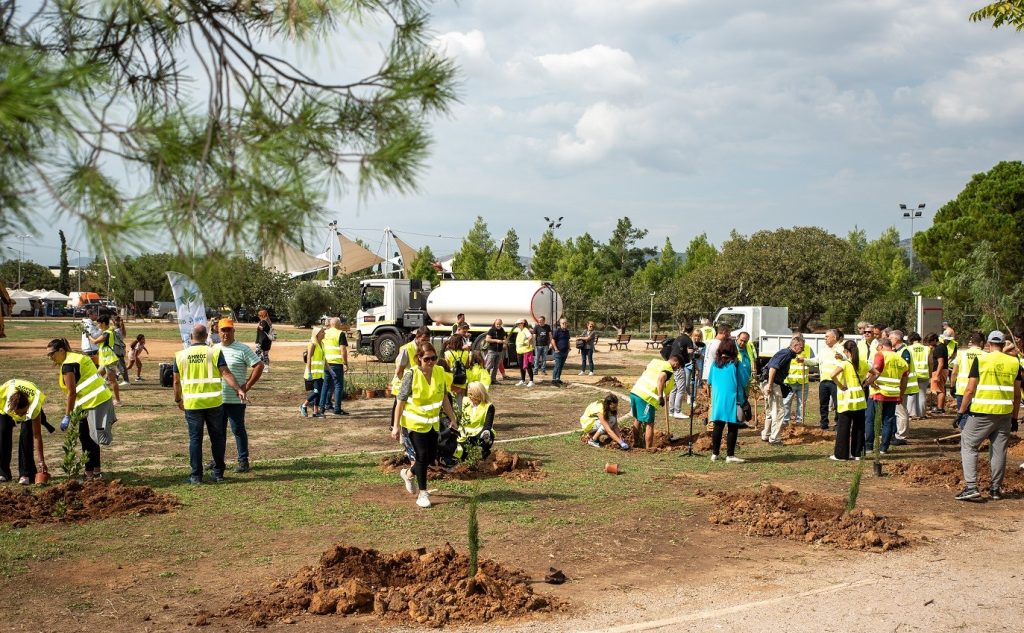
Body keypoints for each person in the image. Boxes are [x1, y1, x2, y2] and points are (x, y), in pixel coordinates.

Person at [173, 324, 246, 484]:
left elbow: (176, 381)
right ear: (207, 337)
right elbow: (225, 373)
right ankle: (218, 473)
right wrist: (238, 389)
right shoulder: (214, 352)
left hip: (192, 404)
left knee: (195, 439)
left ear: (191, 337)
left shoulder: (180, 355)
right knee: (217, 438)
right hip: (214, 403)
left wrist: (178, 399)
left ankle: (196, 476)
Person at [955, 330, 1021, 501]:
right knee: (999, 451)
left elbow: (969, 390)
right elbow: (1016, 394)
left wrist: (961, 412)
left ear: (988, 344)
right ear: (1003, 343)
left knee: (969, 445)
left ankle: (971, 487)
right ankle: (995, 489)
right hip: (1004, 414)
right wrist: (1014, 417)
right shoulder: (1014, 362)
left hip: (982, 413)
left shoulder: (982, 359)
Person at [392, 341, 459, 508]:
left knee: (429, 457)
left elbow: (444, 398)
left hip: (432, 424)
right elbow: (400, 401)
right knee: (421, 456)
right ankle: (422, 494)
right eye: (427, 359)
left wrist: (453, 418)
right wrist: (396, 426)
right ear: (419, 358)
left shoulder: (439, 371)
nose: (431, 362)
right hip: (414, 423)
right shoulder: (411, 374)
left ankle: (408, 474)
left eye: (434, 358)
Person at [46, 337, 117, 480]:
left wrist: (67, 415)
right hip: (96, 400)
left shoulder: (68, 365)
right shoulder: (76, 357)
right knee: (89, 437)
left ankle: (90, 474)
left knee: (87, 438)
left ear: (61, 350)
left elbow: (72, 393)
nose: (50, 357)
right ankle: (95, 473)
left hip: (94, 402)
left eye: (51, 354)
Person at [214, 318, 264, 473]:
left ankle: (243, 460)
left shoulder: (242, 349)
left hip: (236, 399)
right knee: (217, 431)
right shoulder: (213, 349)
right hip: (217, 398)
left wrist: (247, 386)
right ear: (218, 331)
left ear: (234, 331)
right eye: (223, 330)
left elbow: (259, 365)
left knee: (238, 429)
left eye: (229, 330)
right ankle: (217, 460)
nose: (226, 333)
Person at [863, 337, 908, 455]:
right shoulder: (901, 359)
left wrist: (869, 381)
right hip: (893, 395)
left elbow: (876, 369)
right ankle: (884, 448)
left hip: (878, 393)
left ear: (881, 346)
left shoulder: (880, 354)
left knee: (871, 420)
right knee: (888, 421)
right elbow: (904, 381)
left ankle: (868, 447)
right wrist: (900, 395)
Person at [0, 379, 50, 484]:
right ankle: (3, 472)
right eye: (18, 414)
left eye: (23, 413)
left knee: (27, 434)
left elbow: (37, 436)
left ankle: (26, 473)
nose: (21, 416)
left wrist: (41, 461)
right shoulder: (2, 395)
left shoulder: (34, 405)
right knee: (2, 431)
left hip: (30, 398)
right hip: (4, 405)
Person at [707, 339, 749, 463]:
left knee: (718, 425)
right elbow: (744, 380)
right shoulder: (735, 363)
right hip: (733, 398)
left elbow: (709, 381)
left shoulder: (715, 363)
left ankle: (715, 453)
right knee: (733, 426)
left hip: (718, 398)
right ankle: (730, 455)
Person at [831, 340, 872, 460]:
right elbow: (876, 372)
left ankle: (841, 454)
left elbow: (832, 375)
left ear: (847, 352)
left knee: (844, 427)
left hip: (847, 400)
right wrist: (867, 382)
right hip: (860, 399)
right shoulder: (863, 363)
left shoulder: (844, 364)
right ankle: (857, 453)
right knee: (859, 427)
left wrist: (840, 385)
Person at [629, 354, 680, 449]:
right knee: (649, 423)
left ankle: (636, 444)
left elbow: (645, 371)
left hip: (635, 391)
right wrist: (660, 396)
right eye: (678, 366)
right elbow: (660, 379)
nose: (677, 369)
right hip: (646, 397)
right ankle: (649, 448)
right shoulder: (668, 369)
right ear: (676, 362)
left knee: (637, 419)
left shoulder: (655, 362)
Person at [761, 337, 805, 445]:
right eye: (801, 347)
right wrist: (770, 385)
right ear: (795, 346)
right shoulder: (786, 354)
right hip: (772, 384)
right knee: (779, 411)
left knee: (770, 411)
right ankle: (774, 439)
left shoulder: (785, 353)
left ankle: (766, 435)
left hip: (766, 382)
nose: (803, 350)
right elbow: (772, 368)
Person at [950, 331, 986, 430]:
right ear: (982, 343)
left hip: (962, 390)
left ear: (971, 341)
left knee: (963, 414)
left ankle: (964, 437)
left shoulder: (961, 354)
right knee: (976, 416)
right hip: (978, 391)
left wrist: (952, 386)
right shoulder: (985, 355)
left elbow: (954, 373)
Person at [454, 381, 496, 461]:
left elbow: (488, 425)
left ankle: (485, 454)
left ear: (478, 394)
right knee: (460, 455)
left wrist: (485, 433)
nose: (469, 396)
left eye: (471, 394)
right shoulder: (464, 401)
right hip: (464, 434)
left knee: (486, 435)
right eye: (468, 394)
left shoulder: (488, 406)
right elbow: (458, 418)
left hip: (480, 433)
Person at [890, 330, 916, 445]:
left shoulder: (904, 351)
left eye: (891, 338)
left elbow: (906, 369)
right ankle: (898, 433)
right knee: (899, 411)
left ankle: (902, 436)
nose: (889, 340)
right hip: (899, 386)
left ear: (897, 339)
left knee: (901, 411)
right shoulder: (897, 351)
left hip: (903, 386)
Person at [90, 314, 122, 406]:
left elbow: (95, 341)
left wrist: (88, 336)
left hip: (109, 360)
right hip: (105, 360)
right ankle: (101, 397)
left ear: (103, 323)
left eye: (98, 324)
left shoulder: (107, 333)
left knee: (112, 381)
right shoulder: (108, 331)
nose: (97, 325)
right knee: (97, 378)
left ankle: (118, 401)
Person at [813, 329, 842, 430]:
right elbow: (815, 361)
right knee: (823, 403)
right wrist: (804, 361)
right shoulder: (823, 349)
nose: (825, 339)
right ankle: (824, 423)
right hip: (824, 381)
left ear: (834, 337)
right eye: (825, 337)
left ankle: (838, 423)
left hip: (836, 381)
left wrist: (842, 357)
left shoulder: (841, 349)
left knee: (838, 403)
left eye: (827, 337)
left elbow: (846, 362)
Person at [322, 317, 351, 416]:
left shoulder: (325, 333)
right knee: (338, 385)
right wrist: (345, 363)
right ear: (338, 324)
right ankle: (337, 409)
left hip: (326, 363)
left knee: (327, 385)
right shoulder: (340, 333)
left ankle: (326, 405)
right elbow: (343, 349)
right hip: (336, 363)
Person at [782, 334, 813, 426]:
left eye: (798, 338)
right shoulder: (786, 349)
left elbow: (813, 361)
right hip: (789, 381)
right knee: (786, 402)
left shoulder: (807, 348)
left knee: (801, 402)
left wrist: (805, 360)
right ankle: (785, 420)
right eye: (794, 338)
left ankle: (799, 420)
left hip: (803, 381)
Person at [668, 325, 695, 420]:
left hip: (671, 364)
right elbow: (691, 352)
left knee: (674, 388)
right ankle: (677, 411)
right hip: (678, 366)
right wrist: (693, 356)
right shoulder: (688, 339)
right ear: (692, 330)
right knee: (681, 389)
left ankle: (671, 411)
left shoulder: (678, 338)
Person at [301, 326, 326, 418]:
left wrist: (330, 370)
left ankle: (316, 412)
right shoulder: (313, 344)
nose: (324, 333)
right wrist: (310, 372)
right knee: (316, 391)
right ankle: (304, 405)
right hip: (313, 373)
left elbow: (324, 359)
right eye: (322, 332)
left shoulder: (322, 344)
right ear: (317, 334)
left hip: (320, 373)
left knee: (318, 392)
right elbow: (308, 358)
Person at [444, 334, 471, 410]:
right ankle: (459, 416)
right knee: (460, 400)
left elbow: (447, 368)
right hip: (462, 379)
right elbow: (467, 365)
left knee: (451, 400)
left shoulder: (448, 353)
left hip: (452, 379)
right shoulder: (466, 353)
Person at [906, 332, 930, 418]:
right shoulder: (926, 349)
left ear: (910, 339)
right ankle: (922, 414)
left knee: (911, 394)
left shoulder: (908, 348)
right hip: (924, 374)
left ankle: (911, 413)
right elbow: (930, 362)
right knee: (922, 394)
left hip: (913, 375)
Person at [926, 332, 948, 414]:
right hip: (942, 370)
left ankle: (939, 408)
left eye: (930, 342)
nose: (929, 345)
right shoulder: (942, 346)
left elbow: (941, 363)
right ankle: (940, 407)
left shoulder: (939, 349)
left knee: (940, 390)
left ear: (935, 340)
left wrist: (937, 375)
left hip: (940, 371)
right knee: (940, 389)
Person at [484, 319, 507, 384]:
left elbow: (505, 338)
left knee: (496, 366)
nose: (498, 325)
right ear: (495, 323)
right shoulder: (491, 330)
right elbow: (487, 339)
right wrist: (497, 341)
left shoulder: (502, 330)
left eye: (500, 324)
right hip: (492, 351)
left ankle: (493, 380)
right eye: (497, 324)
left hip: (499, 351)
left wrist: (505, 343)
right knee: (488, 366)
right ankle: (485, 379)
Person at [514, 319, 535, 387]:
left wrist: (527, 343)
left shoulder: (525, 330)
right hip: (519, 351)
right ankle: (522, 380)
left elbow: (530, 337)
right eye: (517, 324)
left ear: (523, 324)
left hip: (526, 351)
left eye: (518, 324)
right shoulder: (520, 330)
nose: (517, 325)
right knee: (521, 367)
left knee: (528, 366)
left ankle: (531, 381)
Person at [550, 317, 571, 386]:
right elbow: (553, 340)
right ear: (560, 324)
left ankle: (558, 379)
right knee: (557, 365)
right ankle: (553, 380)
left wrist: (569, 348)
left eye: (565, 323)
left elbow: (568, 340)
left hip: (565, 352)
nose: (564, 324)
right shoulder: (557, 331)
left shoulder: (567, 331)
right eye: (563, 323)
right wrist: (556, 348)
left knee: (561, 366)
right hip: (558, 352)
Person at [112, 315, 129, 386]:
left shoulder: (115, 331)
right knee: (112, 364)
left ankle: (126, 380)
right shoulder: (121, 330)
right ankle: (108, 378)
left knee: (120, 365)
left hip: (117, 349)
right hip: (120, 349)